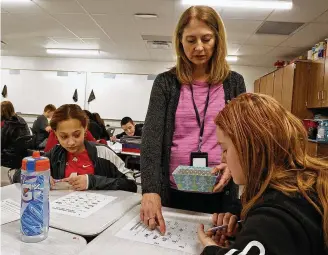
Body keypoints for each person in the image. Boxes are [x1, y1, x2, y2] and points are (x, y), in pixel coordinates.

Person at [140, 5, 246, 234]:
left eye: (206, 39)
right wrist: (150, 190)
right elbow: (151, 140)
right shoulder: (165, 83)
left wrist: (232, 164)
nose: (199, 47)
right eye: (191, 40)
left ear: (218, 40)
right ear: (180, 42)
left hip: (220, 191)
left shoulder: (234, 82)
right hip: (173, 191)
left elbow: (241, 137)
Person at [197, 93, 328, 255]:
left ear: (253, 147)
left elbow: (272, 231)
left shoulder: (276, 214)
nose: (222, 158)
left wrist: (210, 248)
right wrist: (245, 230)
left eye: (225, 149)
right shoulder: (303, 183)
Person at [15, 104, 137, 192]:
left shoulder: (103, 153)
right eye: (63, 137)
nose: (71, 142)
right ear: (55, 134)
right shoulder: (55, 153)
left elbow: (131, 184)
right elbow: (19, 174)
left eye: (76, 134)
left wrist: (91, 181)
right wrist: (38, 177)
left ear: (85, 129)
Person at [1, 101, 30, 166]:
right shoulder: (22, 120)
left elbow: (1, 143)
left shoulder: (7, 123)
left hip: (9, 156)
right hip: (23, 154)